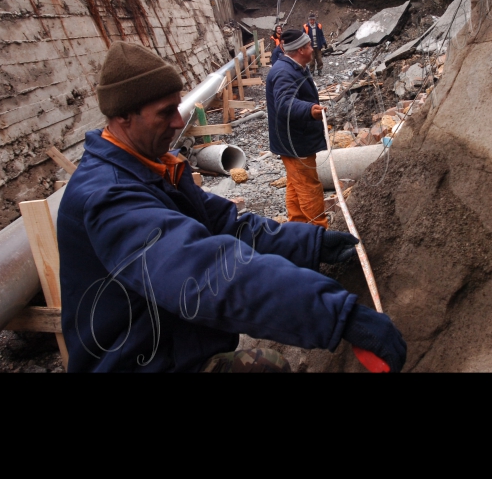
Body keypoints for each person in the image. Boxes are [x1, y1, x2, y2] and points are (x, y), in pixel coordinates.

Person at [57, 41, 406, 373]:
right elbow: (207, 273)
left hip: (170, 345)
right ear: (124, 117)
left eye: (177, 107)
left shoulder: (154, 166)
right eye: (165, 113)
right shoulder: (110, 197)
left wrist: (308, 243)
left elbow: (230, 225)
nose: (180, 122)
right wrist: (337, 315)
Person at [265, 29, 330, 230]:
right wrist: (310, 110)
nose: (312, 49)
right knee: (309, 187)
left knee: (296, 184)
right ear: (301, 49)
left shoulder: (293, 66)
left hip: (292, 139)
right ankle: (321, 234)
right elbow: (284, 103)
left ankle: (297, 228)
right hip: (295, 142)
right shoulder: (284, 72)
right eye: (309, 46)